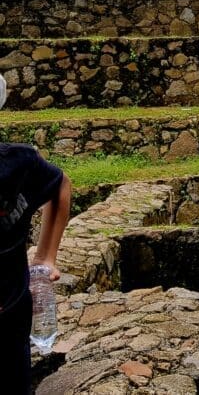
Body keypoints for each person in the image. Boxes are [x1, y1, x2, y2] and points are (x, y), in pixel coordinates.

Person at [0, 75, 72, 394]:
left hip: (12, 313)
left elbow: (61, 186)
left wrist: (45, 258)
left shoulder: (19, 162)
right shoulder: (19, 160)